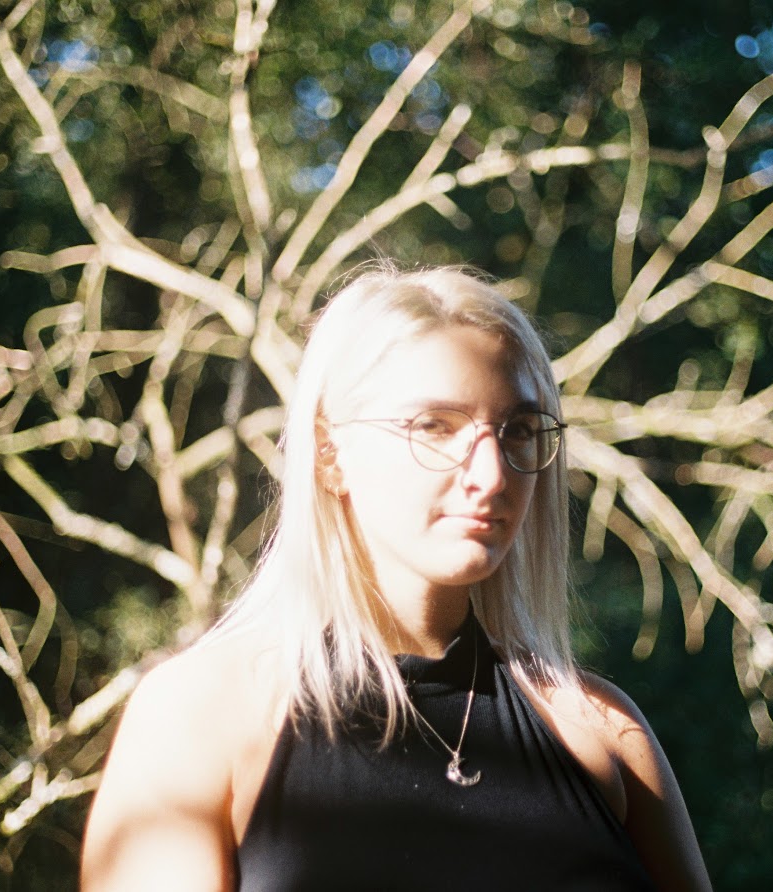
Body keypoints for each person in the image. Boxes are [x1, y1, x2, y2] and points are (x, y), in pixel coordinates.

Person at [81, 266, 712, 891]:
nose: (492, 474)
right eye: (435, 426)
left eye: (518, 431)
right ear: (329, 454)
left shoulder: (601, 733)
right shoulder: (201, 717)